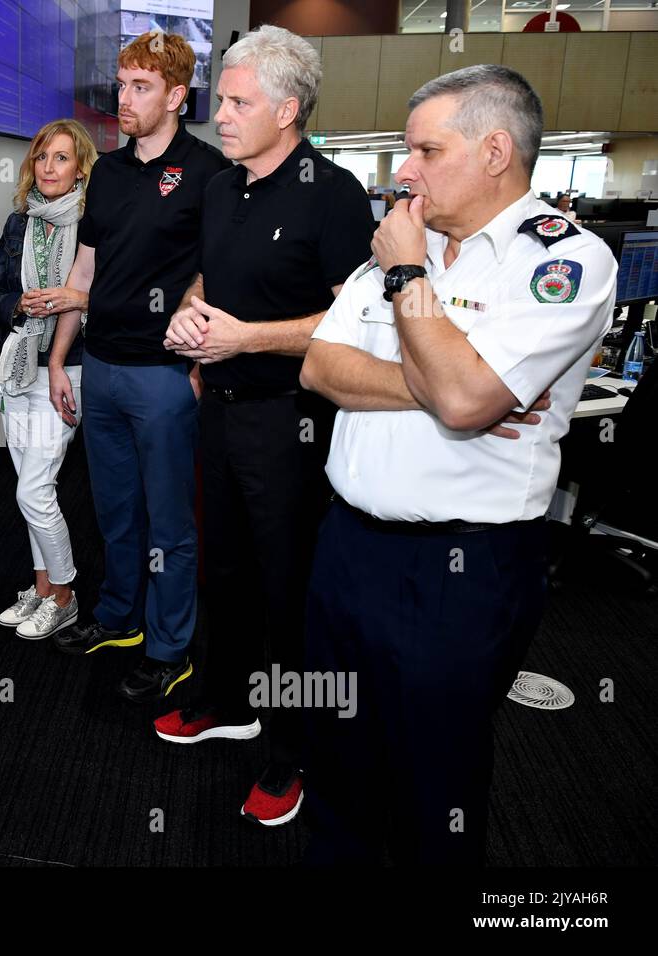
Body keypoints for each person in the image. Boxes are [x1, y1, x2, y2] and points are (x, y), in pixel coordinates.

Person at [299, 65, 617, 864]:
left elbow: (470, 399)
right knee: (336, 758)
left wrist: (413, 284)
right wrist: (442, 384)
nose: (403, 172)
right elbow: (321, 369)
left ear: (496, 151)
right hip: (345, 548)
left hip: (462, 567)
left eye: (425, 150)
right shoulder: (401, 239)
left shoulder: (562, 260)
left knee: (431, 779)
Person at [158, 25, 374, 828]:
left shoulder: (336, 193)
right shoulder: (221, 187)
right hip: (217, 409)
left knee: (290, 594)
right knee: (225, 573)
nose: (223, 116)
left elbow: (354, 322)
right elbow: (213, 277)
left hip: (294, 425)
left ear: (288, 110)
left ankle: (293, 751)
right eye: (224, 100)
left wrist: (245, 338)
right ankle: (228, 699)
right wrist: (189, 318)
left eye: (241, 103)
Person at [48, 31, 229, 702]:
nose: (123, 99)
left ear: (177, 96)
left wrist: (198, 355)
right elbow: (84, 271)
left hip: (164, 376)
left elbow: (220, 268)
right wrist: (61, 358)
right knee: (115, 509)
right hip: (102, 365)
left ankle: (169, 646)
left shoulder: (209, 171)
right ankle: (118, 616)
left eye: (141, 87)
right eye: (121, 85)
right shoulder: (111, 173)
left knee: (170, 523)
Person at [0, 119, 97, 640]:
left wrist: (74, 301)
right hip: (15, 367)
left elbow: (110, 298)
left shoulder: (95, 225)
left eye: (62, 158)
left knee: (34, 491)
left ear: (80, 169)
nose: (49, 168)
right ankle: (42, 588)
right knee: (33, 486)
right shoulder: (17, 224)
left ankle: (67, 595)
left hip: (66, 371)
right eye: (42, 157)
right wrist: (15, 304)